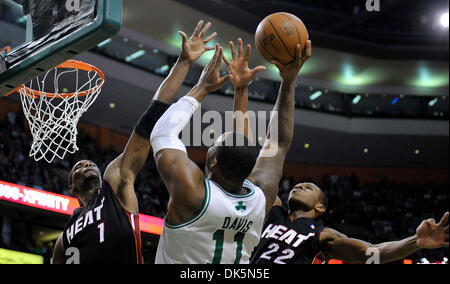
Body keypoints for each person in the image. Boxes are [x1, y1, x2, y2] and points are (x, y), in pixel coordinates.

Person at [52, 20, 218, 264]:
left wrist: (183, 63)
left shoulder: (114, 185)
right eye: (77, 168)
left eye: (88, 164)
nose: (85, 164)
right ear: (73, 190)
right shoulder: (63, 239)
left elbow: (146, 124)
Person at [150, 38, 312, 264]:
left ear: (213, 161)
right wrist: (285, 81)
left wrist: (202, 87)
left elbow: (162, 133)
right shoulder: (261, 197)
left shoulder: (193, 192)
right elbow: (279, 141)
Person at [250, 182, 449, 264]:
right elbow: (259, 172)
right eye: (297, 185)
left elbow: (369, 253)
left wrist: (416, 242)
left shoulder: (323, 234)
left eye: (308, 187)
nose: (299, 185)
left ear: (320, 208)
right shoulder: (273, 210)